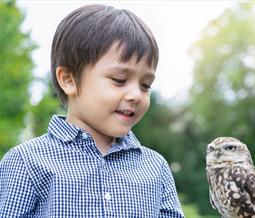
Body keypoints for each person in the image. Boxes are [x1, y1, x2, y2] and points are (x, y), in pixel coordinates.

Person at [0, 4, 184, 217]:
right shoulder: (26, 162)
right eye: (120, 80)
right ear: (68, 80)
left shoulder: (155, 168)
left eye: (145, 85)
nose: (136, 95)